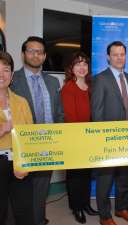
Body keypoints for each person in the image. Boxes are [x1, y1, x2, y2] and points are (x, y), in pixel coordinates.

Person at [10, 36, 64, 225]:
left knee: (42, 186)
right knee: (20, 189)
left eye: (39, 52)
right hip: (22, 145)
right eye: (31, 51)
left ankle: (39, 219)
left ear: (44, 56)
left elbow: (59, 111)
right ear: (24, 54)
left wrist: (61, 136)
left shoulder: (53, 82)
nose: (35, 55)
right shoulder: (12, 79)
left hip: (48, 143)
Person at [91, 41, 128, 225]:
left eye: (122, 54)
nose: (119, 57)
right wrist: (102, 139)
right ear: (108, 57)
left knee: (124, 177)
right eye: (115, 54)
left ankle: (121, 208)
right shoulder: (101, 79)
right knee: (105, 179)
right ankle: (105, 215)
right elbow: (97, 111)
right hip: (108, 139)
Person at [61, 52, 98, 224]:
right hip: (76, 138)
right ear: (71, 68)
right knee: (75, 174)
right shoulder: (69, 87)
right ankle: (76, 207)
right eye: (78, 64)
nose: (82, 67)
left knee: (86, 174)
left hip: (90, 137)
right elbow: (70, 117)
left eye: (84, 64)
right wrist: (81, 138)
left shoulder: (91, 86)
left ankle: (85, 204)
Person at [0, 51, 34, 225]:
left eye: (6, 70)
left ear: (12, 75)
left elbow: (30, 137)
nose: (1, 74)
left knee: (23, 210)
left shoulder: (22, 102)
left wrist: (25, 164)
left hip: (19, 161)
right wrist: (2, 129)